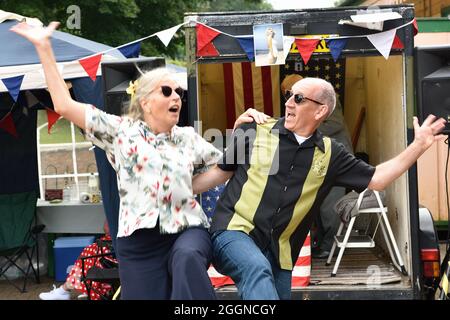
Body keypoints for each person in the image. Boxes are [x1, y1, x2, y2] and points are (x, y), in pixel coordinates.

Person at [11, 21, 263, 300]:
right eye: (166, 91)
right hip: (139, 244)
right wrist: (44, 48)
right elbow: (64, 105)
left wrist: (239, 129)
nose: (176, 97)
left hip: (186, 232)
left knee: (188, 257)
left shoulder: (188, 137)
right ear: (144, 101)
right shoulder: (120, 131)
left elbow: (219, 170)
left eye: (178, 92)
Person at [192, 76, 446, 300]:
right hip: (233, 233)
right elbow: (220, 173)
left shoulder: (331, 153)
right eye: (288, 96)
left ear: (320, 111)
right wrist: (173, 190)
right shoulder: (253, 130)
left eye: (298, 98)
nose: (289, 102)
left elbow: (377, 178)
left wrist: (419, 146)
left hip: (280, 250)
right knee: (257, 269)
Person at [281, 74, 353, 259]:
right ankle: (323, 244)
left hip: (337, 159)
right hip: (321, 159)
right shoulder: (303, 102)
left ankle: (331, 247)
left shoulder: (326, 97)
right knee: (319, 205)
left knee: (330, 206)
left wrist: (305, 128)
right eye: (286, 94)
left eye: (290, 92)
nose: (288, 98)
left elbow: (335, 123)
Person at [39, 221, 117, 300]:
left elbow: (107, 228)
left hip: (116, 251)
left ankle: (67, 290)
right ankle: (72, 290)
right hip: (117, 249)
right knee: (91, 253)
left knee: (92, 254)